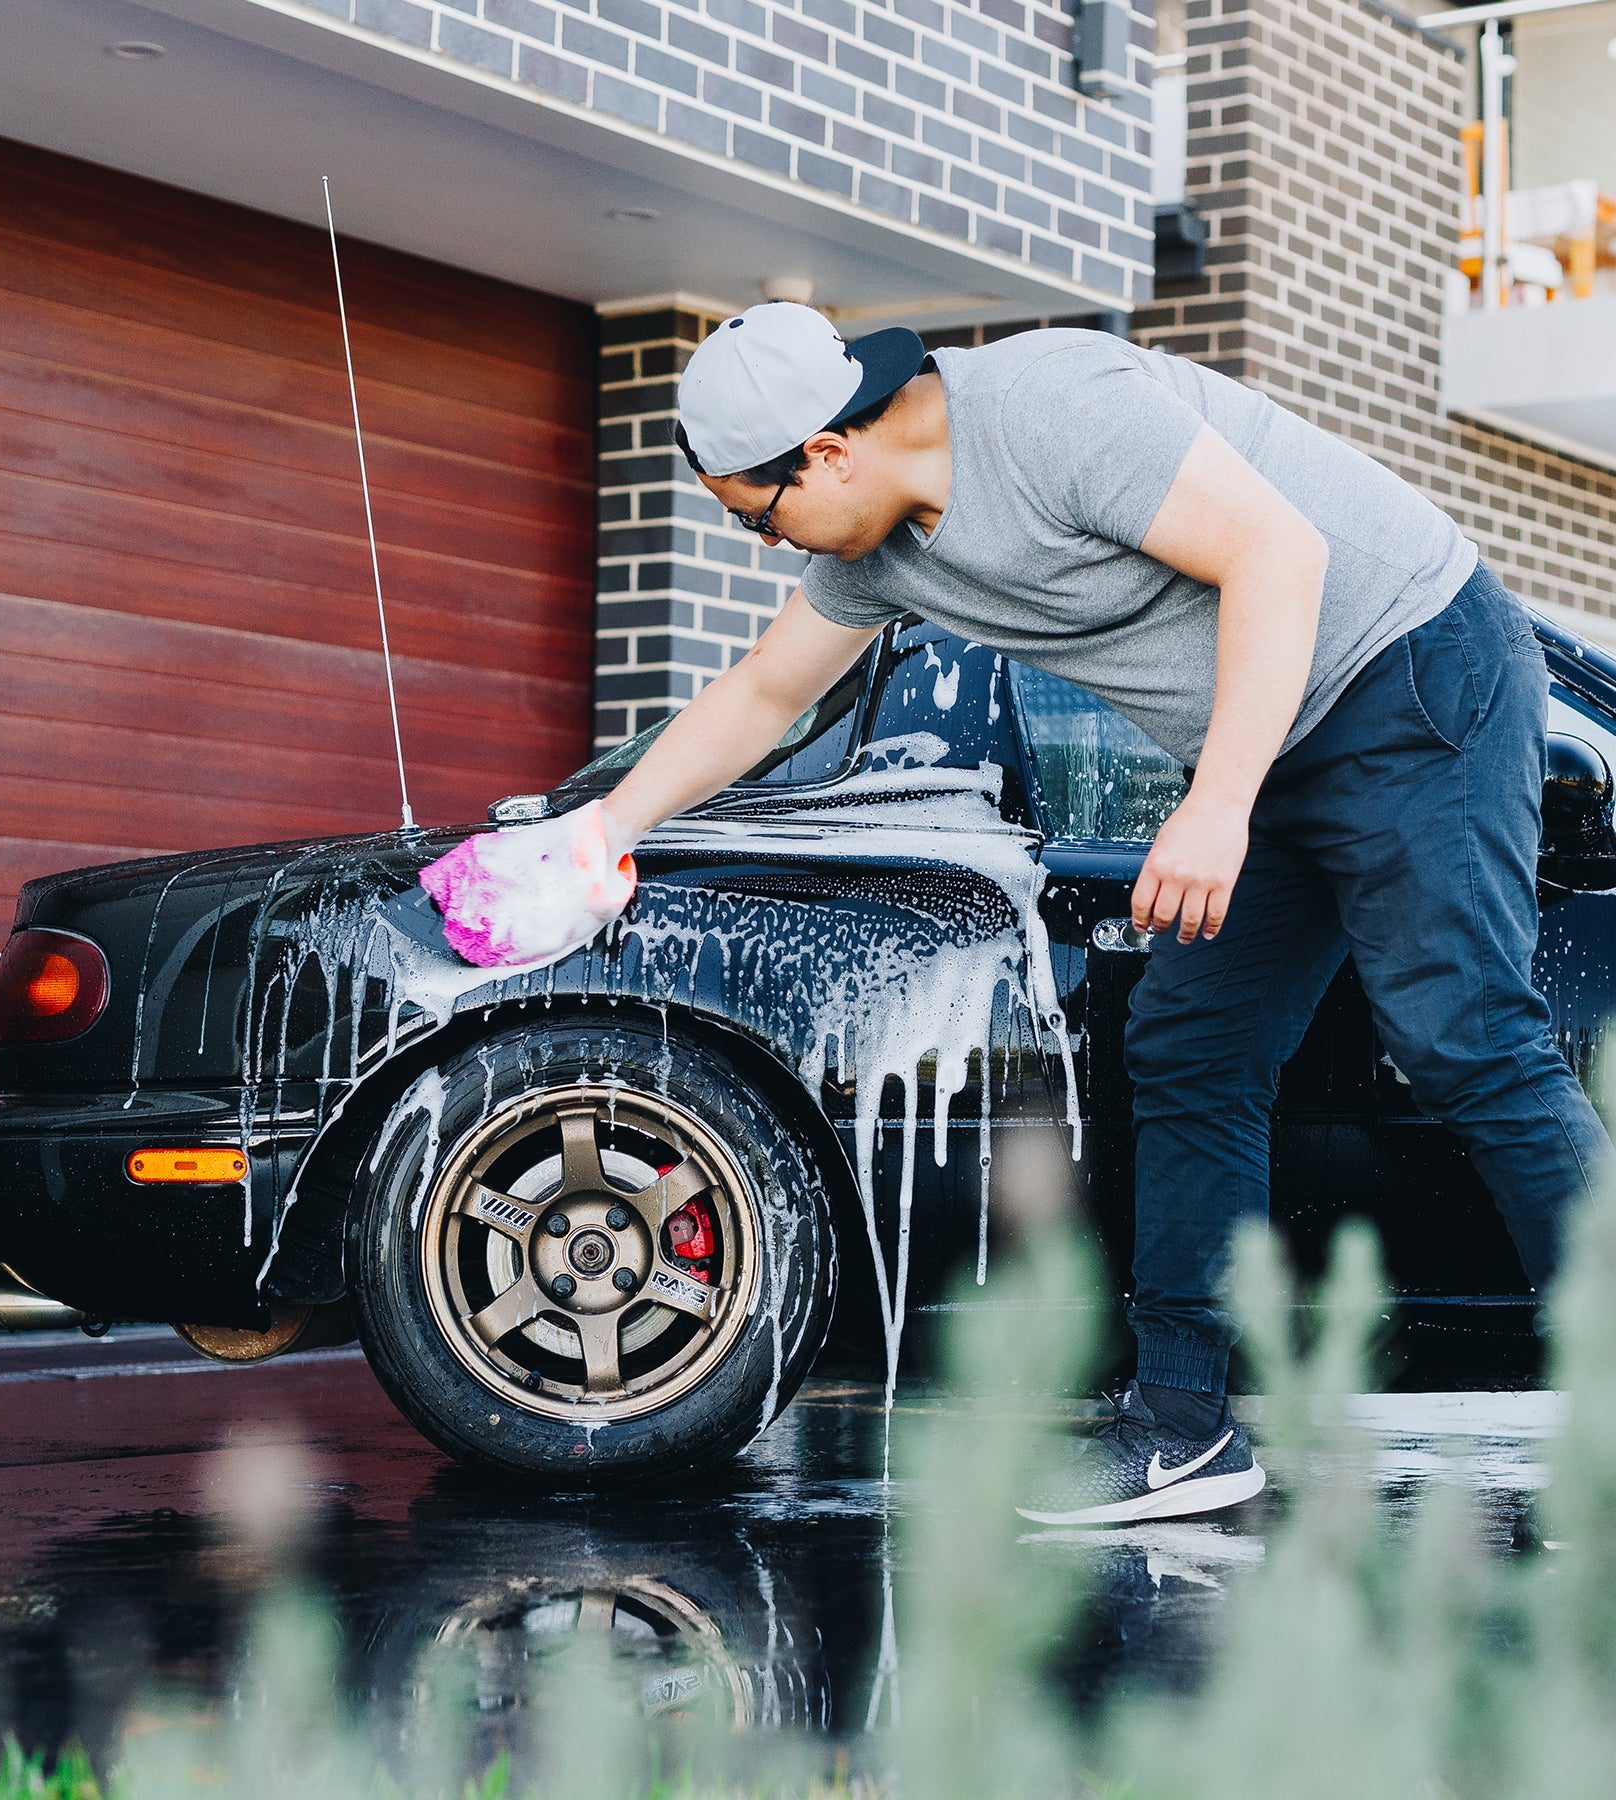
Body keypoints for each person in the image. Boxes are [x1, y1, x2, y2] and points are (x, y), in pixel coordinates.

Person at [422, 300, 1612, 1524]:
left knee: (1463, 1035)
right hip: (1276, 731)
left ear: (827, 454)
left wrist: (1214, 808)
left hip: (1412, 665)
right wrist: (600, 834)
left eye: (758, 516)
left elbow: (1280, 556)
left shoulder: (1053, 410)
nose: (772, 546)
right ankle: (1187, 1429)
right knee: (1193, 1046)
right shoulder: (865, 550)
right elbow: (764, 691)